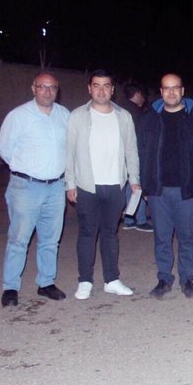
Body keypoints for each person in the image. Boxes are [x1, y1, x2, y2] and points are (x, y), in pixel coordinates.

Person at [0, 72, 70, 307]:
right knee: (18, 239)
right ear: (33, 88)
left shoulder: (64, 115)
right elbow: (3, 149)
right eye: (42, 87)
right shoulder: (18, 116)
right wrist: (26, 169)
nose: (47, 91)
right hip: (25, 187)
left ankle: (46, 282)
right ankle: (10, 287)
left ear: (57, 90)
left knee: (50, 239)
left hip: (56, 186)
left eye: (52, 87)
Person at [66, 69, 140, 300]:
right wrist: (70, 183)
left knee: (110, 233)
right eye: (96, 85)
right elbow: (69, 153)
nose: (101, 90)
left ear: (112, 89)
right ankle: (85, 281)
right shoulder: (77, 116)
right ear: (89, 89)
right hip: (87, 185)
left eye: (106, 85)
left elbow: (131, 150)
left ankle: (112, 280)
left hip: (115, 185)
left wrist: (134, 180)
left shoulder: (123, 116)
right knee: (87, 234)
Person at [138, 73, 193, 299]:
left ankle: (187, 279)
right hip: (158, 190)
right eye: (167, 88)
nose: (171, 92)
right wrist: (144, 185)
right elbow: (142, 151)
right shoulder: (149, 119)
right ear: (161, 92)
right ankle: (164, 278)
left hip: (187, 190)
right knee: (162, 237)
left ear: (182, 91)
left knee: (187, 237)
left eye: (175, 87)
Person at [120, 83, 151, 232]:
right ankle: (140, 219)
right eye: (142, 95)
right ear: (137, 93)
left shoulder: (120, 109)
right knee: (138, 184)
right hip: (135, 153)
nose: (143, 99)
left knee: (130, 185)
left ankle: (129, 219)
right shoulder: (136, 113)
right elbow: (141, 137)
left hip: (122, 154)